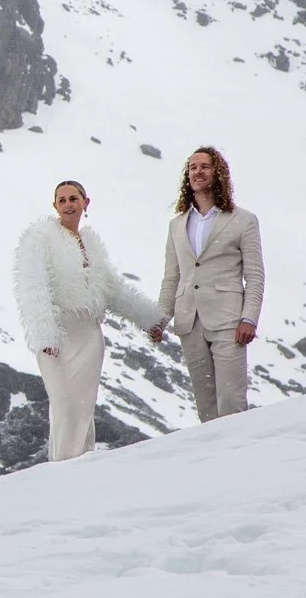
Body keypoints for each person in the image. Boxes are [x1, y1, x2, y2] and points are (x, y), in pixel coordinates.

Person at [15, 180, 166, 461]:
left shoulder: (92, 244)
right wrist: (45, 333)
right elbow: (32, 287)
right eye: (62, 200)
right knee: (64, 405)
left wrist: (150, 320)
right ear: (54, 206)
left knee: (83, 406)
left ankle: (81, 464)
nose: (68, 204)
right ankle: (62, 465)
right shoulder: (40, 238)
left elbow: (114, 290)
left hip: (89, 335)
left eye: (74, 198)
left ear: (86, 203)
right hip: (57, 333)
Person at [155, 146, 264, 422]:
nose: (197, 171)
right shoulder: (176, 225)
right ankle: (214, 463)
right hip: (189, 321)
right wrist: (159, 320)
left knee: (231, 400)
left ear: (218, 173)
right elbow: (172, 277)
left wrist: (249, 318)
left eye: (204, 166)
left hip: (229, 320)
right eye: (192, 167)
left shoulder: (243, 220)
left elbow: (255, 274)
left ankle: (237, 457)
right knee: (206, 405)